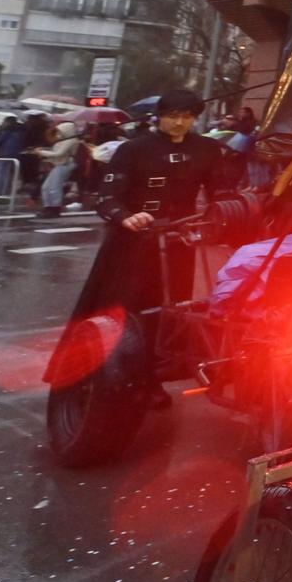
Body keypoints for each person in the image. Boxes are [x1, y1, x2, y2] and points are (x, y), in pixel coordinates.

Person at [52, 88, 235, 379]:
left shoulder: (207, 149)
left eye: (187, 117)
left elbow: (222, 194)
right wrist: (127, 217)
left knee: (171, 312)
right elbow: (106, 198)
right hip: (132, 246)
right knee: (125, 311)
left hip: (179, 243)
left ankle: (155, 376)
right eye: (173, 116)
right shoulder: (133, 149)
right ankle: (110, 376)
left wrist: (222, 216)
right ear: (159, 116)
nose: (179, 123)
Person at [36, 121, 84, 217]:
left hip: (65, 164)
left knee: (55, 186)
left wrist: (42, 152)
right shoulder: (63, 140)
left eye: (61, 131)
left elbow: (59, 153)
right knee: (46, 187)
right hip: (60, 164)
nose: (59, 133)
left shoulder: (72, 140)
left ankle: (54, 209)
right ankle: (48, 207)